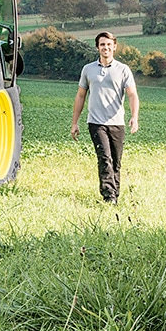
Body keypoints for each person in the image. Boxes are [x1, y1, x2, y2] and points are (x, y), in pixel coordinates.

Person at [70, 31, 140, 204]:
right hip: (96, 122)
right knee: (105, 158)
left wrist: (134, 117)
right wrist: (75, 122)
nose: (106, 48)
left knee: (116, 162)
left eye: (109, 44)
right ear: (97, 47)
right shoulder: (88, 69)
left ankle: (115, 194)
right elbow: (80, 96)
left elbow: (132, 95)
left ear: (114, 46)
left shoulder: (123, 70)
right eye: (102, 45)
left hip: (117, 123)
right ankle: (109, 197)